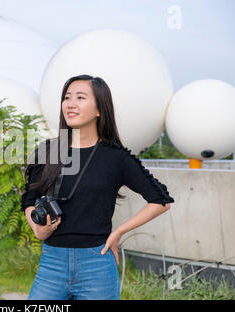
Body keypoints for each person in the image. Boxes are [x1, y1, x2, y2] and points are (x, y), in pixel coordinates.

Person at [21, 74, 175, 300]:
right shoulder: (48, 151)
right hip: (52, 263)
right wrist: (37, 228)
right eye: (67, 98)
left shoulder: (116, 158)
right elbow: (28, 199)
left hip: (97, 264)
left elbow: (161, 201)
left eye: (80, 97)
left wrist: (119, 232)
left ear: (98, 110)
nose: (70, 104)